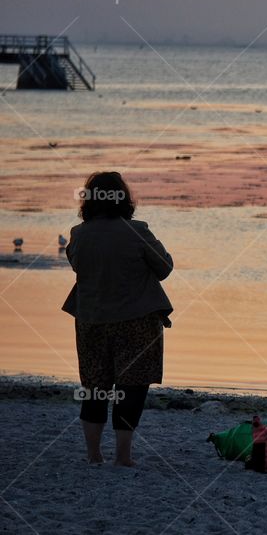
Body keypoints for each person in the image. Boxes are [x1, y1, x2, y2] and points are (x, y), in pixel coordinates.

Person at [62, 171, 173, 466]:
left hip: (91, 319)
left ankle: (93, 455)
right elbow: (164, 268)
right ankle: (123, 455)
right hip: (136, 320)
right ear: (123, 198)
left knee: (95, 386)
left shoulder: (78, 235)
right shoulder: (137, 231)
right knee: (132, 386)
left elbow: (76, 265)